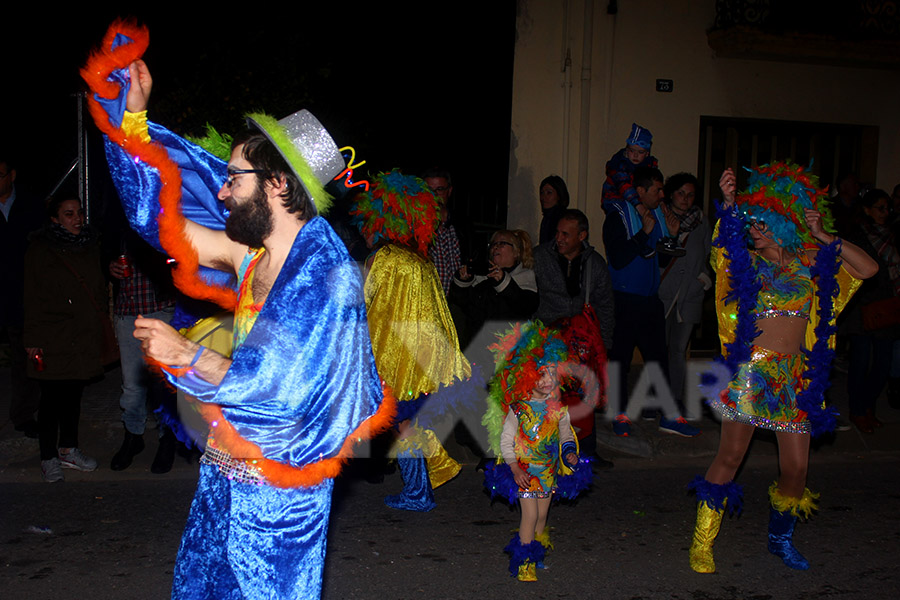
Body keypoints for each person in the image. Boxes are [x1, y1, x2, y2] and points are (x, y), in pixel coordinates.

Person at [82, 22, 392, 599]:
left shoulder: (328, 279)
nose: (221, 191)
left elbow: (283, 384)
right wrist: (131, 122)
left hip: (281, 491)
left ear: (276, 184)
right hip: (226, 466)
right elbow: (162, 222)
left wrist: (188, 356)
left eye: (232, 178)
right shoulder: (249, 255)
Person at [688, 162, 877, 574]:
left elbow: (868, 269)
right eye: (750, 222)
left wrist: (825, 237)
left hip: (797, 378)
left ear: (781, 222)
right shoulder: (747, 264)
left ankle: (780, 539)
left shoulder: (813, 262)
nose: (753, 228)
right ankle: (702, 542)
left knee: (796, 469)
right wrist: (729, 203)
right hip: (751, 374)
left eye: (760, 221)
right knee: (731, 455)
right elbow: (722, 248)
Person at [351, 170, 471, 512]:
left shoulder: (385, 258)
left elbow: (368, 306)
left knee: (401, 423)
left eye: (368, 221)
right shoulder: (418, 258)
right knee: (404, 423)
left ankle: (419, 491)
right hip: (420, 359)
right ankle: (421, 486)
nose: (364, 228)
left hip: (394, 358)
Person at [481, 321, 590, 581]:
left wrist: (569, 453)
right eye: (542, 373)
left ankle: (537, 553)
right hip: (525, 472)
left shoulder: (559, 409)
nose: (548, 379)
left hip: (548, 471)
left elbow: (565, 435)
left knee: (542, 514)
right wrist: (515, 467)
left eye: (553, 374)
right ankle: (524, 563)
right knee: (529, 515)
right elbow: (506, 441)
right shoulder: (518, 409)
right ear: (527, 375)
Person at [603, 166, 699, 437]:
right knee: (619, 360)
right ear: (641, 191)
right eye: (657, 190)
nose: (662, 195)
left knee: (658, 360)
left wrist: (670, 235)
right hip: (623, 300)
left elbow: (662, 260)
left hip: (649, 301)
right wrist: (644, 233)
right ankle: (619, 414)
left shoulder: (658, 215)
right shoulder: (618, 215)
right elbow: (619, 258)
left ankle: (668, 415)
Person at [24, 196, 105, 482]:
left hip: (82, 335)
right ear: (55, 219)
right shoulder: (41, 249)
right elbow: (31, 296)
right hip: (52, 334)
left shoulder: (89, 244)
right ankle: (48, 456)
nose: (77, 218)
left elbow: (96, 288)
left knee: (73, 395)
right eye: (69, 214)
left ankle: (68, 449)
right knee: (50, 399)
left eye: (80, 212)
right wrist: (33, 338)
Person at [533, 209, 614, 465]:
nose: (559, 238)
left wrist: (605, 346)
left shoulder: (595, 264)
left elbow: (605, 306)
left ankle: (587, 451)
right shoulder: (539, 257)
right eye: (557, 232)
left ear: (582, 235)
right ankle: (544, 452)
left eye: (566, 234)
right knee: (547, 397)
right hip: (546, 338)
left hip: (580, 342)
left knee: (585, 397)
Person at [107, 232, 179, 473]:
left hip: (162, 310)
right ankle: (133, 436)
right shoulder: (119, 226)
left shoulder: (161, 222)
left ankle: (166, 439)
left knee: (163, 383)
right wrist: (109, 266)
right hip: (128, 312)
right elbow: (102, 256)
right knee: (132, 386)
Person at [841, 189, 900, 433]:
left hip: (887, 306)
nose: (885, 214)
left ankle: (868, 407)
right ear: (866, 210)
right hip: (862, 307)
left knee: (883, 364)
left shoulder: (893, 233)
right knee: (861, 362)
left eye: (888, 208)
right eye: (880, 208)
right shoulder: (857, 236)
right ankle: (858, 410)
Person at [658, 173, 712, 411]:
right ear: (671, 193)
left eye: (690, 195)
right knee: (660, 348)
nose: (685, 199)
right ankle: (656, 397)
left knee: (679, 350)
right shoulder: (659, 217)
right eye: (681, 193)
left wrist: (703, 279)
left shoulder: (702, 222)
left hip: (690, 294)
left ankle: (674, 399)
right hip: (663, 293)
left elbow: (709, 254)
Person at [1, 154, 43, 438]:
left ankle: (24, 416)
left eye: (0, 174)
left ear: (12, 175)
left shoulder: (31, 206)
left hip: (21, 295)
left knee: (23, 361)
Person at [450, 229, 539, 350]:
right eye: (493, 244)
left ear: (516, 252)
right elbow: (460, 303)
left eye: (502, 244)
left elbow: (525, 306)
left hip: (510, 352)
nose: (496, 247)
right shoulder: (482, 277)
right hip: (479, 349)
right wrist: (463, 280)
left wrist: (503, 281)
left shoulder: (525, 276)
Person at [601, 123, 658, 210]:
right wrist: (639, 207)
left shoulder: (650, 167)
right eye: (632, 151)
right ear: (627, 150)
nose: (635, 155)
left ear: (647, 154)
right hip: (614, 200)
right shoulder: (619, 163)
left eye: (640, 152)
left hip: (636, 202)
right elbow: (624, 186)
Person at [423, 167, 461, 295]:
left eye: (439, 189)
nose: (434, 195)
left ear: (449, 191)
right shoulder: (415, 227)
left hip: (458, 304)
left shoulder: (461, 224)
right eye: (429, 190)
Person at [538, 175, 569, 245]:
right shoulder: (547, 217)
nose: (543, 197)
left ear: (559, 195)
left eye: (549, 193)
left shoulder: (563, 218)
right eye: (542, 193)